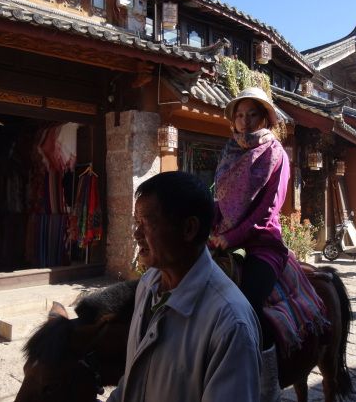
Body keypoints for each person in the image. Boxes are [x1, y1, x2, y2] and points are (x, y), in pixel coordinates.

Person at [107, 171, 261, 402]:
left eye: (146, 223)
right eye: (136, 222)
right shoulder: (148, 285)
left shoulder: (230, 323)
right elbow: (133, 380)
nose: (136, 234)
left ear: (188, 229)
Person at [210, 86, 289, 400]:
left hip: (262, 242)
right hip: (221, 239)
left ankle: (268, 386)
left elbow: (268, 209)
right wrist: (210, 228)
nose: (244, 121)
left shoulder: (276, 153)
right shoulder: (230, 151)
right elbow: (220, 199)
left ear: (265, 118)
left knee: (248, 304)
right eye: (240, 115)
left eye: (252, 114)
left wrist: (230, 237)